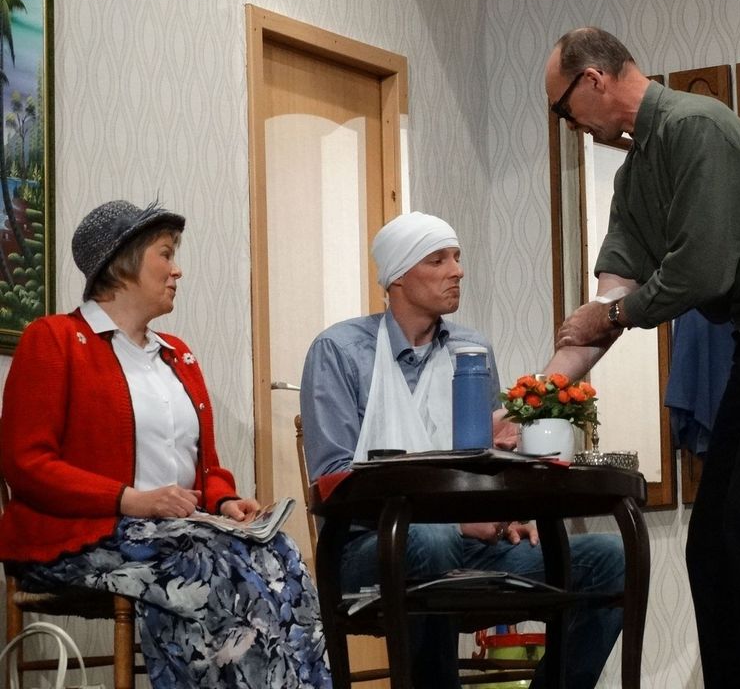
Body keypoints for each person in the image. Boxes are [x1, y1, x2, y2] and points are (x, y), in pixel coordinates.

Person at [542, 27, 740, 689]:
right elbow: (610, 299)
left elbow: (701, 272)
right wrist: (528, 402)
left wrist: (614, 316)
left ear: (593, 80)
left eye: (563, 108)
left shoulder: (697, 125)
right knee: (712, 540)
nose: (569, 124)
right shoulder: (634, 174)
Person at [0, 200, 331, 689]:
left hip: (174, 531)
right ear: (123, 262)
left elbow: (205, 469)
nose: (177, 270)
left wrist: (224, 500)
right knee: (204, 560)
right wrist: (132, 500)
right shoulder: (54, 339)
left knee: (279, 552)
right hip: (80, 535)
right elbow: (26, 464)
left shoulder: (178, 355)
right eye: (165, 254)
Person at [300, 211, 624, 689]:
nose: (457, 271)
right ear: (397, 277)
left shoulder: (471, 349)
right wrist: (451, 523)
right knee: (432, 540)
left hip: (469, 549)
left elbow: (483, 464)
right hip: (367, 548)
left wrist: (505, 513)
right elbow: (334, 477)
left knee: (609, 557)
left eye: (457, 257)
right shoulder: (340, 350)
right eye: (438, 260)